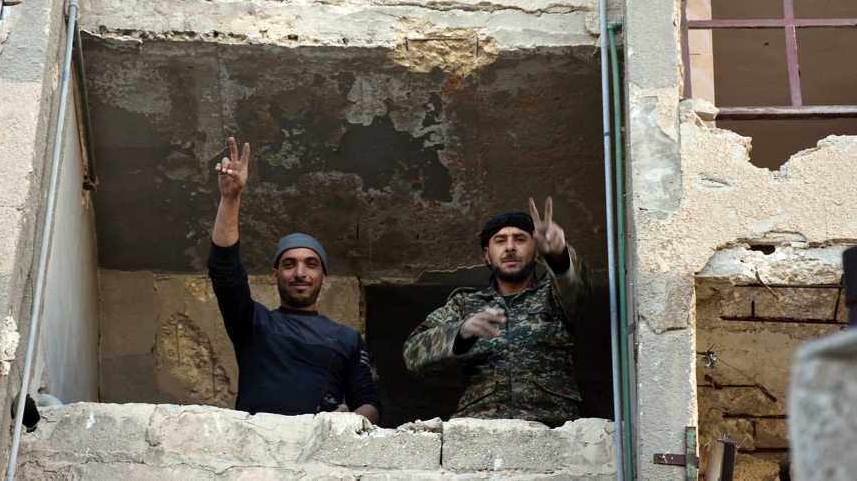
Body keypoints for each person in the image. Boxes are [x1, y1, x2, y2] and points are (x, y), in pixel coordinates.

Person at [208, 137, 381, 424]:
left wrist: (350, 421)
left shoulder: (346, 339)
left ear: (323, 276)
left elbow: (369, 404)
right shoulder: (252, 323)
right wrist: (230, 199)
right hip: (257, 444)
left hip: (319, 448)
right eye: (289, 264)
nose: (300, 273)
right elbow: (224, 272)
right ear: (275, 275)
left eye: (311, 264)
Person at [402, 198, 593, 427]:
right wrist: (460, 332)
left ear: (536, 253)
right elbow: (412, 354)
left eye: (520, 239)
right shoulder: (465, 304)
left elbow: (578, 285)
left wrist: (558, 254)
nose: (510, 247)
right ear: (487, 254)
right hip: (480, 429)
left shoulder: (555, 294)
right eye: (500, 241)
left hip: (553, 428)